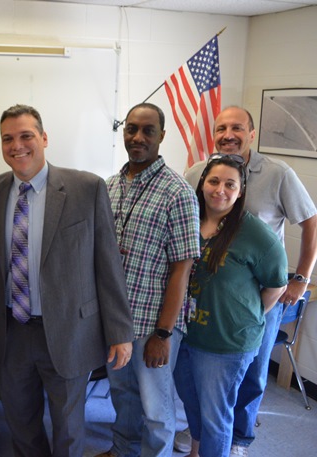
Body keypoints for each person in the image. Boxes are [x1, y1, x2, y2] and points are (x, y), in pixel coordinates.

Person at [0, 104, 134, 457]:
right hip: (13, 333)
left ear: (44, 138)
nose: (17, 146)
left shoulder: (87, 188)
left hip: (69, 332)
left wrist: (120, 332)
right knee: (20, 425)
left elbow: (107, 263)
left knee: (68, 431)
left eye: (26, 136)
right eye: (8, 139)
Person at [181, 106, 317, 456]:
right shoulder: (197, 171)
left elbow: (310, 222)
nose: (229, 134)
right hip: (205, 295)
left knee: (251, 373)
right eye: (221, 127)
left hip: (258, 294)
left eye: (237, 127)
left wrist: (300, 278)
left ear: (251, 133)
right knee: (200, 377)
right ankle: (204, 435)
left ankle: (237, 439)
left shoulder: (277, 173)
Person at [95, 103, 200, 457]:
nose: (137, 137)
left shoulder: (178, 193)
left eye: (147, 131)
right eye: (131, 129)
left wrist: (163, 335)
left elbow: (181, 269)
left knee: (156, 409)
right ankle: (123, 450)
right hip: (115, 321)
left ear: (162, 136)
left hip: (153, 323)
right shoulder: (107, 187)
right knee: (123, 397)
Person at [175, 153, 288, 457]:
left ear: (241, 191)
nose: (219, 189)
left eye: (230, 184)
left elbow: (277, 285)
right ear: (202, 184)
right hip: (185, 334)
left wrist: (247, 315)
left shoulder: (256, 235)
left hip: (225, 344)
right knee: (192, 403)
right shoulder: (188, 220)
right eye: (213, 181)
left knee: (216, 417)